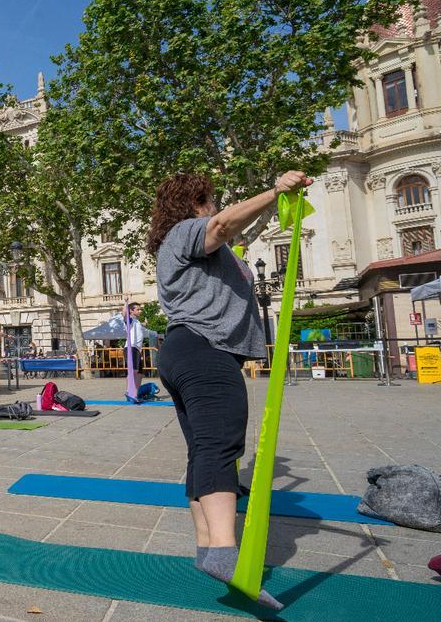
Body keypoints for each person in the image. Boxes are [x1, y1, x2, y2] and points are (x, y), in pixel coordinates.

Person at [147, 170, 311, 612]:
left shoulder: (185, 244)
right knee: (220, 446)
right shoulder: (187, 231)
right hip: (204, 350)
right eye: (211, 200)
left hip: (188, 350)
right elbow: (221, 226)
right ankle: (223, 549)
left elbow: (226, 234)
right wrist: (275, 191)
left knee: (203, 450)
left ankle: (207, 548)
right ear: (196, 202)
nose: (216, 207)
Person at [126, 301, 144, 375]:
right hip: (132, 347)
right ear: (131, 311)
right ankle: (130, 387)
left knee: (139, 373)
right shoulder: (128, 319)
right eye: (138, 310)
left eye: (140, 309)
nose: (140, 311)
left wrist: (144, 324)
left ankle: (136, 387)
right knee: (133, 372)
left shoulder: (137, 321)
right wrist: (126, 302)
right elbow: (124, 313)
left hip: (137, 349)